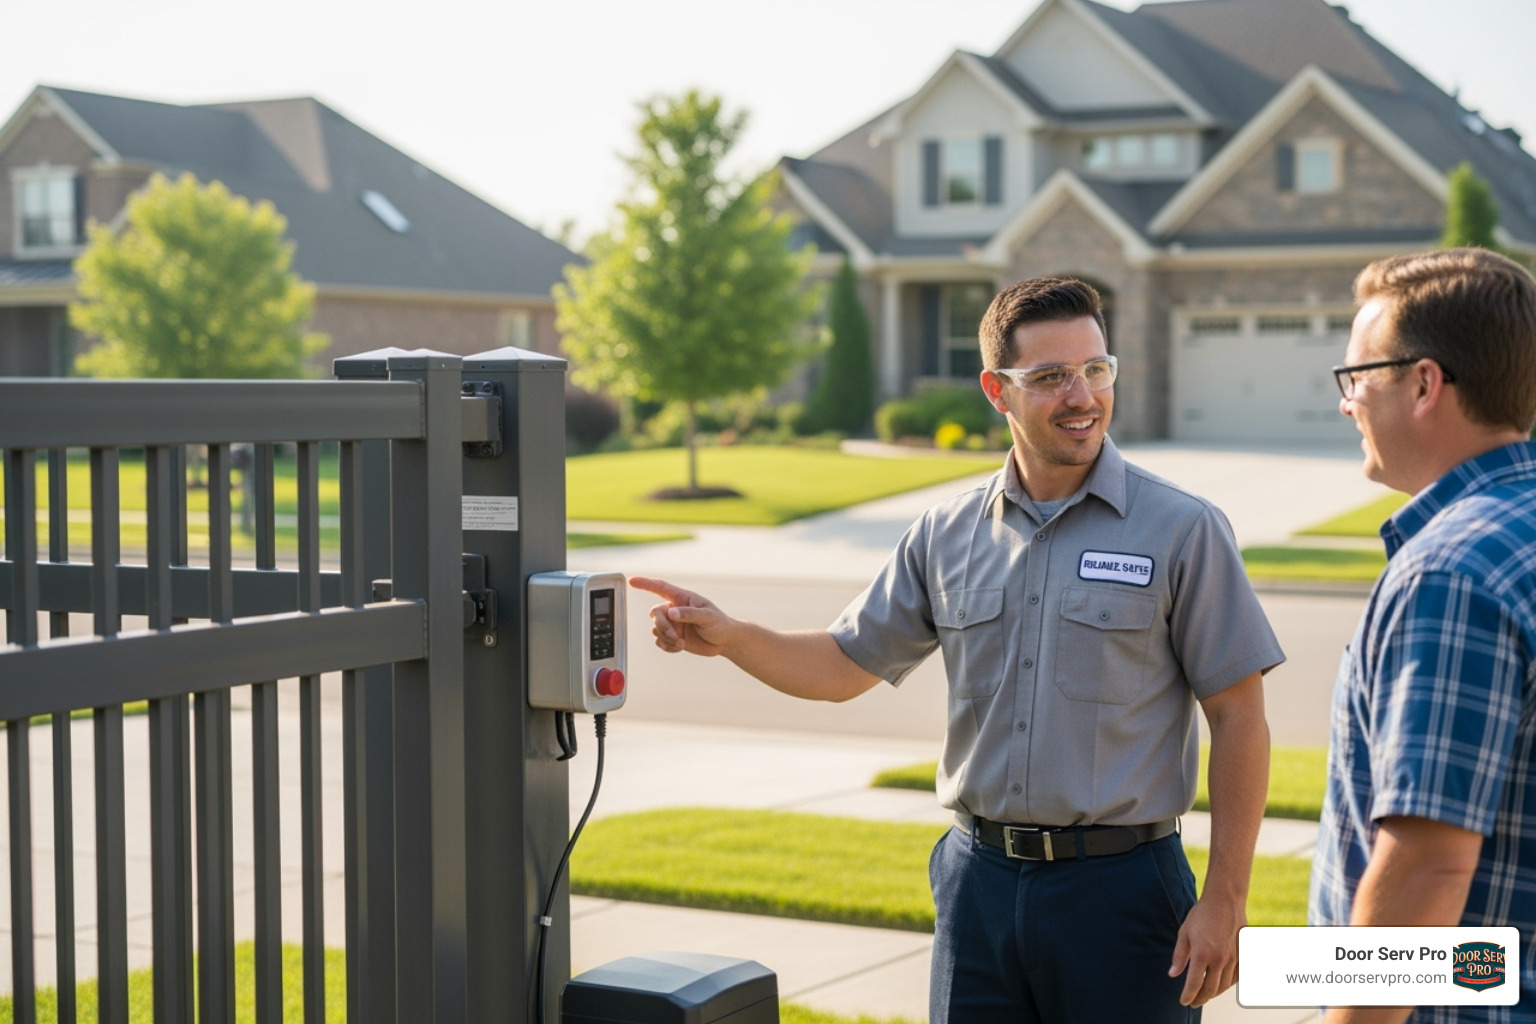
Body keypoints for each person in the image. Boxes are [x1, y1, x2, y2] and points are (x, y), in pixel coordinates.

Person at [632, 275, 1281, 1023]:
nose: (1082, 395)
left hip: (1124, 894)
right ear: (995, 390)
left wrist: (1227, 897)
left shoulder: (1182, 529)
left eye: (1095, 369)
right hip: (978, 888)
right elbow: (846, 665)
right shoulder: (945, 533)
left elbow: (1239, 716)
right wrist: (734, 638)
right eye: (1049, 377)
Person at [1310, 247, 1536, 1022]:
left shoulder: (1449, 573)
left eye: (1356, 377)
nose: (1347, 402)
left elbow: (1428, 869)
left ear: (1424, 383)